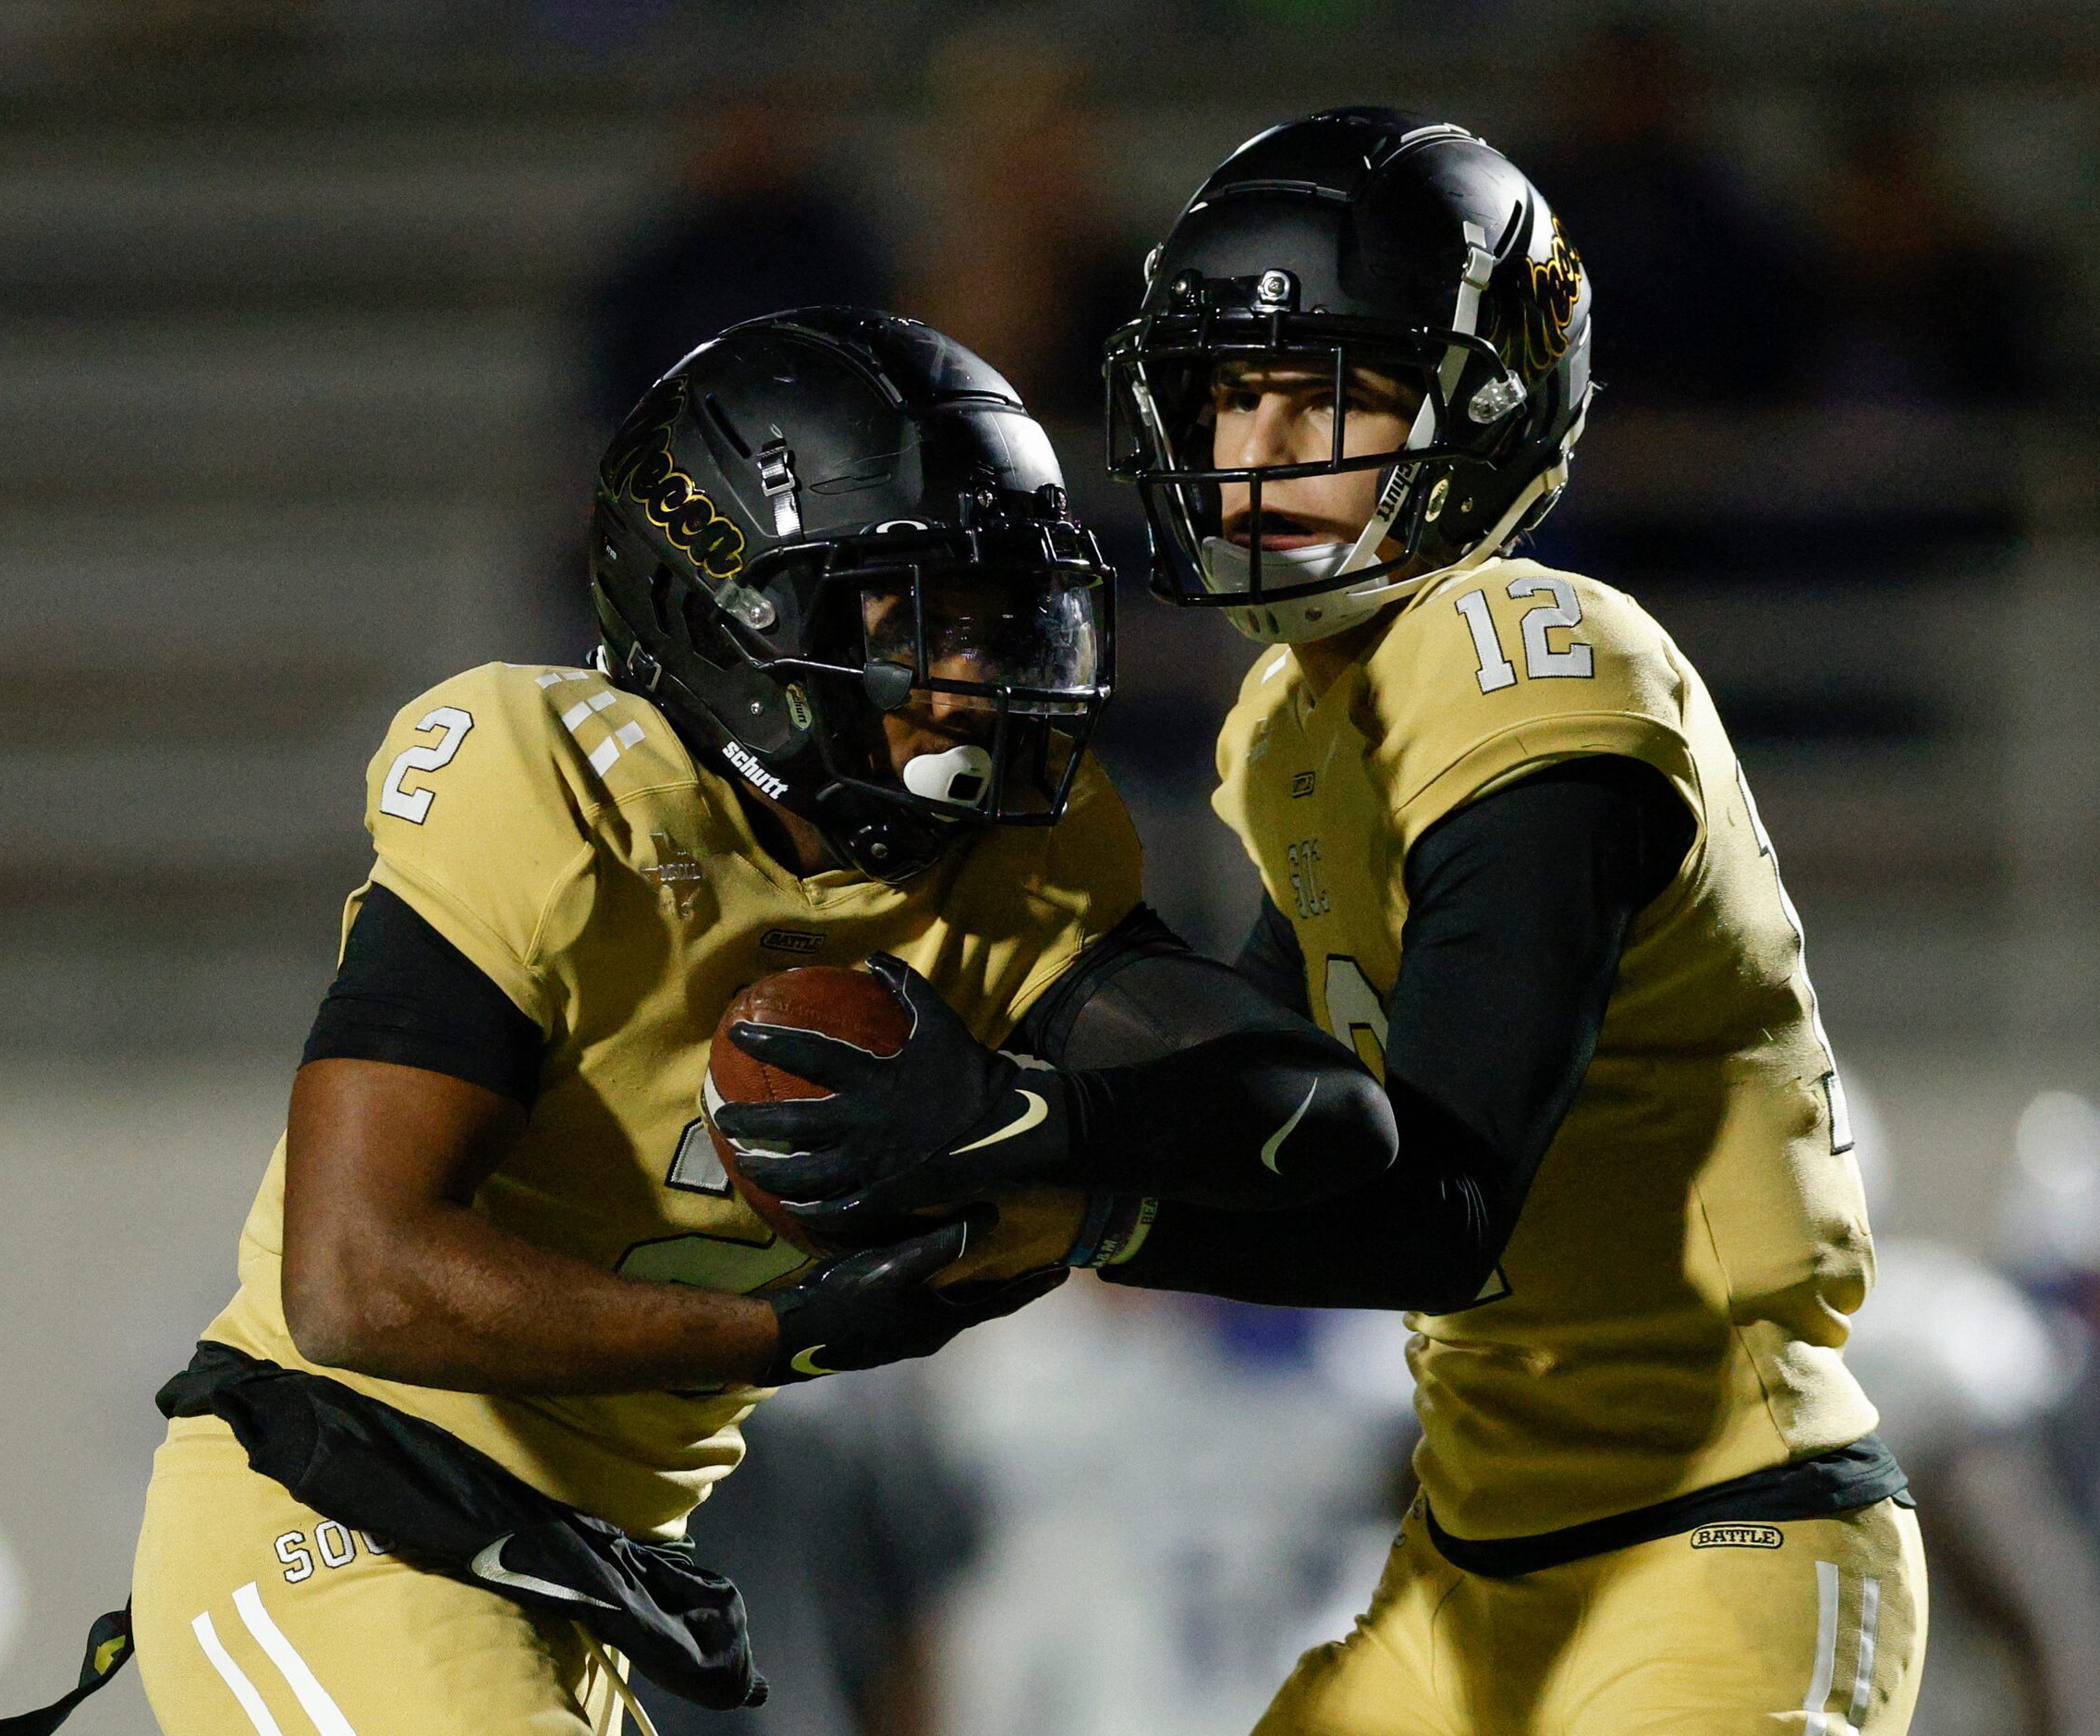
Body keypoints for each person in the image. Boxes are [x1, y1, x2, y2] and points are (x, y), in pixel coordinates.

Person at [737, 114, 1928, 1733]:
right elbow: (1253, 1092)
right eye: (1237, 391)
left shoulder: (1538, 649)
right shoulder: (1294, 722)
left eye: (1334, 394)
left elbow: (1436, 1199)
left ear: (1485, 408)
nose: (1262, 444)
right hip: (1475, 1553)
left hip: (1722, 1535)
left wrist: (1053, 1166)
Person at [104, 309, 1392, 1736]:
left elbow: (1294, 1106)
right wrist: (766, 1329)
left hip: (571, 1575)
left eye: (995, 612)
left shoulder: (1009, 861)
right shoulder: (558, 792)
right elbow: (354, 1273)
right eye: (914, 613)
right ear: (735, 608)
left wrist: (1039, 1134)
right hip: (332, 1518)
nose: (973, 671)